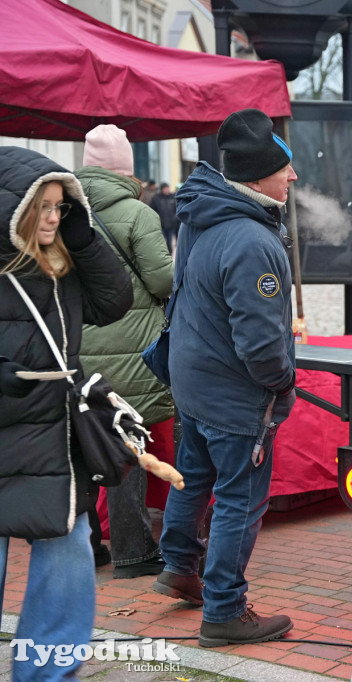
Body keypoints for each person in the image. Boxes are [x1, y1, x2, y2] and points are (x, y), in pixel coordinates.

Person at [154, 108, 297, 648]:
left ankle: (179, 565)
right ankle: (224, 611)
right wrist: (282, 382)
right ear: (259, 176)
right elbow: (260, 344)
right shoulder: (252, 241)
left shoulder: (201, 214)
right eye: (286, 167)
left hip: (192, 382)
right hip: (234, 395)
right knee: (240, 498)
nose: (294, 176)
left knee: (195, 475)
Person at [0, 146, 133, 680]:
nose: (54, 216)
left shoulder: (62, 264)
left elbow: (115, 301)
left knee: (69, 552)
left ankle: (48, 673)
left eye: (61, 206)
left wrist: (85, 238)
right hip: (10, 427)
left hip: (52, 436)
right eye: (45, 206)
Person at [75, 125, 175, 580]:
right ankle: (133, 553)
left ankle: (87, 545)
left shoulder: (64, 210)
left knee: (82, 446)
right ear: (125, 169)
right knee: (127, 442)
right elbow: (161, 282)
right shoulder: (137, 213)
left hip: (77, 347)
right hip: (131, 349)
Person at [149, 182, 179, 255]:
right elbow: (151, 210)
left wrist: (176, 218)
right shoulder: (156, 198)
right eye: (165, 188)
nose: (167, 190)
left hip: (171, 224)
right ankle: (162, 256)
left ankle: (170, 255)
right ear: (162, 189)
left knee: (169, 242)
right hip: (161, 224)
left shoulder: (173, 197)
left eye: (168, 188)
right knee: (161, 242)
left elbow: (178, 209)